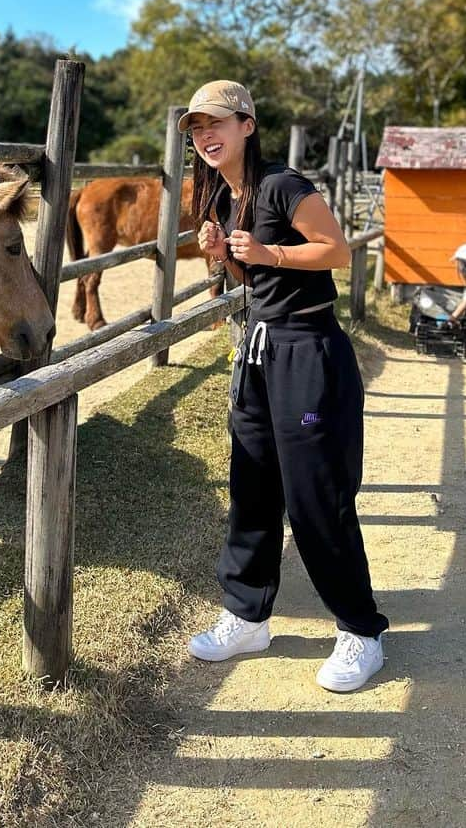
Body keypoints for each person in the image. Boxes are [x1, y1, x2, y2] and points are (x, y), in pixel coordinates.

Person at [181, 79, 388, 693]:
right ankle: (248, 616)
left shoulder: (281, 184)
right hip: (260, 348)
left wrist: (267, 253)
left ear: (247, 124)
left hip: (309, 350)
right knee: (251, 487)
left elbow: (337, 251)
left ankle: (360, 630)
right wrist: (226, 254)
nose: (205, 135)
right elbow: (256, 274)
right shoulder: (225, 195)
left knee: (316, 496)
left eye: (216, 122)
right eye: (196, 128)